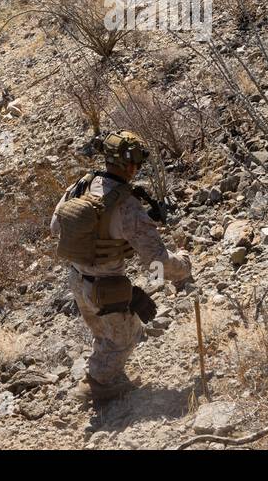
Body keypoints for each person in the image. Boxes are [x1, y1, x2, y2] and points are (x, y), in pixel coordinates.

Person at [50, 131, 191, 403]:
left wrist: (95, 239)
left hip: (77, 280)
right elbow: (157, 264)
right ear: (132, 165)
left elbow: (55, 226)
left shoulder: (82, 184)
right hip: (106, 288)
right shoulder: (128, 206)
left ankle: (104, 374)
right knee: (128, 336)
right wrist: (183, 266)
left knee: (102, 330)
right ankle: (100, 384)